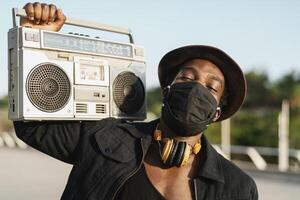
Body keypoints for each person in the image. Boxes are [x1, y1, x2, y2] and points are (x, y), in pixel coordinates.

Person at [14, 2, 258, 200]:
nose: (196, 88)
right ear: (167, 91)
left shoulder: (238, 188)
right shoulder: (104, 137)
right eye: (186, 77)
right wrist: (35, 41)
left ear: (216, 113)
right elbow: (33, 126)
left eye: (210, 87)